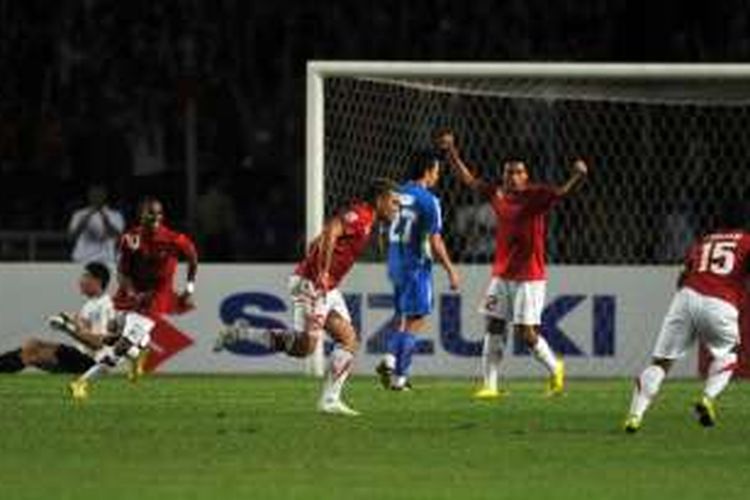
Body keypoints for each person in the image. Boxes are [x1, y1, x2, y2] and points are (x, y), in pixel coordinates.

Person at [216, 178, 400, 416]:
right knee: (306, 348)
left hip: (327, 288)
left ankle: (330, 400)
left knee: (349, 340)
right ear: (380, 199)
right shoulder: (360, 215)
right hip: (312, 284)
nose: (396, 207)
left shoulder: (370, 221)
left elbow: (322, 239)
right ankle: (241, 333)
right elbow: (332, 230)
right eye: (394, 202)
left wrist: (321, 256)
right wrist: (322, 271)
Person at [435, 129, 587, 398]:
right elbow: (468, 179)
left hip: (529, 276)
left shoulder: (536, 195)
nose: (513, 176)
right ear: (504, 176)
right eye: (509, 172)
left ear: (526, 176)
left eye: (518, 172)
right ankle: (490, 386)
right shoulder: (497, 194)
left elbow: (562, 193)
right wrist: (451, 152)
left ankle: (555, 367)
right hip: (502, 274)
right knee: (493, 325)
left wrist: (577, 175)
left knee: (525, 334)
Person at [623, 200, 750, 433]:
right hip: (720, 302)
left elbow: (682, 277)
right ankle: (707, 398)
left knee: (661, 363)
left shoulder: (706, 241)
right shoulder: (746, 242)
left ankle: (634, 416)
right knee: (729, 353)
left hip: (686, 296)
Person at [375, 150, 460, 391]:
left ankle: (395, 370)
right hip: (415, 265)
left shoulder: (395, 194)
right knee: (417, 320)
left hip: (395, 264)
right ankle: (396, 371)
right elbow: (435, 241)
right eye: (436, 171)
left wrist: (388, 255)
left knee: (404, 318)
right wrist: (451, 270)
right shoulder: (428, 200)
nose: (437, 175)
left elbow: (382, 227)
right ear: (428, 170)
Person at [112, 197, 199, 380]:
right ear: (141, 214)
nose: (156, 216)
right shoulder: (130, 238)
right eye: (151, 212)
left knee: (127, 339)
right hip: (135, 291)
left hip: (158, 293)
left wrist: (189, 288)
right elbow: (122, 271)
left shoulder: (174, 239)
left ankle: (85, 381)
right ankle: (141, 353)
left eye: (159, 213)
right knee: (114, 328)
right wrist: (131, 292)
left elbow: (193, 257)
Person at [0, 262, 116, 374]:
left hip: (92, 363)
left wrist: (67, 328)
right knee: (32, 347)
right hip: (81, 357)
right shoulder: (90, 305)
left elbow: (99, 343)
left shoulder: (106, 305)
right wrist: (72, 321)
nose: (80, 281)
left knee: (32, 349)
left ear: (97, 281)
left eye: (85, 276)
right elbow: (86, 332)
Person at [68, 184, 125, 264]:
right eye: (94, 195)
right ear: (89, 196)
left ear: (105, 196)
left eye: (99, 195)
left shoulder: (116, 215)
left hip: (108, 260)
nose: (96, 197)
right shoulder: (78, 214)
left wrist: (105, 220)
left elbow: (119, 238)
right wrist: (87, 217)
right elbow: (71, 238)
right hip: (83, 259)